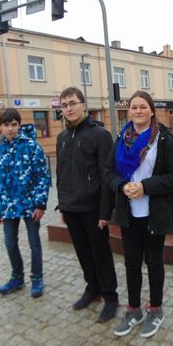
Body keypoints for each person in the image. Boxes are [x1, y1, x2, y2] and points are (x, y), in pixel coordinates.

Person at [106, 90, 173, 338]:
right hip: (129, 212)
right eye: (133, 107)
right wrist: (122, 186)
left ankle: (156, 309)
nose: (138, 111)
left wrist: (145, 186)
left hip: (154, 212)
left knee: (153, 262)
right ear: (128, 111)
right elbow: (108, 172)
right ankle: (133, 309)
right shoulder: (122, 138)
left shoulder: (164, 139)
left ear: (151, 111)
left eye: (143, 107)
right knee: (131, 263)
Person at [56, 86, 119, 323]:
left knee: (101, 254)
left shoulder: (99, 135)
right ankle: (92, 289)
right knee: (83, 253)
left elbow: (107, 176)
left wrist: (105, 211)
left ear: (84, 104)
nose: (69, 109)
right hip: (71, 208)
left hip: (93, 209)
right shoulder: (62, 138)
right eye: (64, 105)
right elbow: (60, 174)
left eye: (73, 103)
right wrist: (62, 206)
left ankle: (110, 297)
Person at [0, 108, 51, 298]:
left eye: (14, 125)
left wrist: (40, 204)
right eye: (6, 125)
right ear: (0, 127)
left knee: (34, 242)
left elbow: (43, 176)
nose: (10, 129)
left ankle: (37, 278)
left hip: (30, 204)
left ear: (19, 125)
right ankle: (17, 277)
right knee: (10, 243)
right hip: (9, 206)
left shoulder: (32, 146)